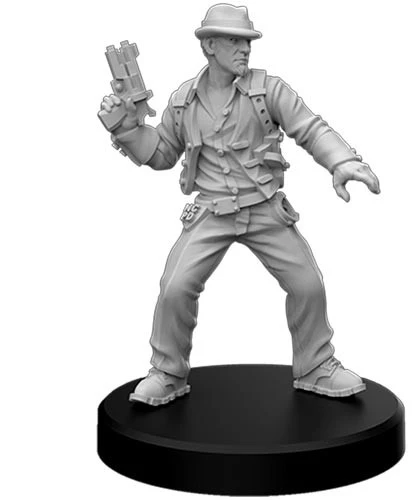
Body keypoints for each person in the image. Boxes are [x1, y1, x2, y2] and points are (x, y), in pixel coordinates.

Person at [99, 4, 380, 406]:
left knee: (307, 284)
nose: (245, 49)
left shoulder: (269, 91)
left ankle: (316, 366)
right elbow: (161, 154)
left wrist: (343, 161)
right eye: (234, 41)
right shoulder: (184, 100)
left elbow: (310, 127)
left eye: (247, 41)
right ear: (209, 46)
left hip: (263, 207)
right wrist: (126, 128)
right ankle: (168, 373)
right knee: (175, 289)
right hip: (211, 211)